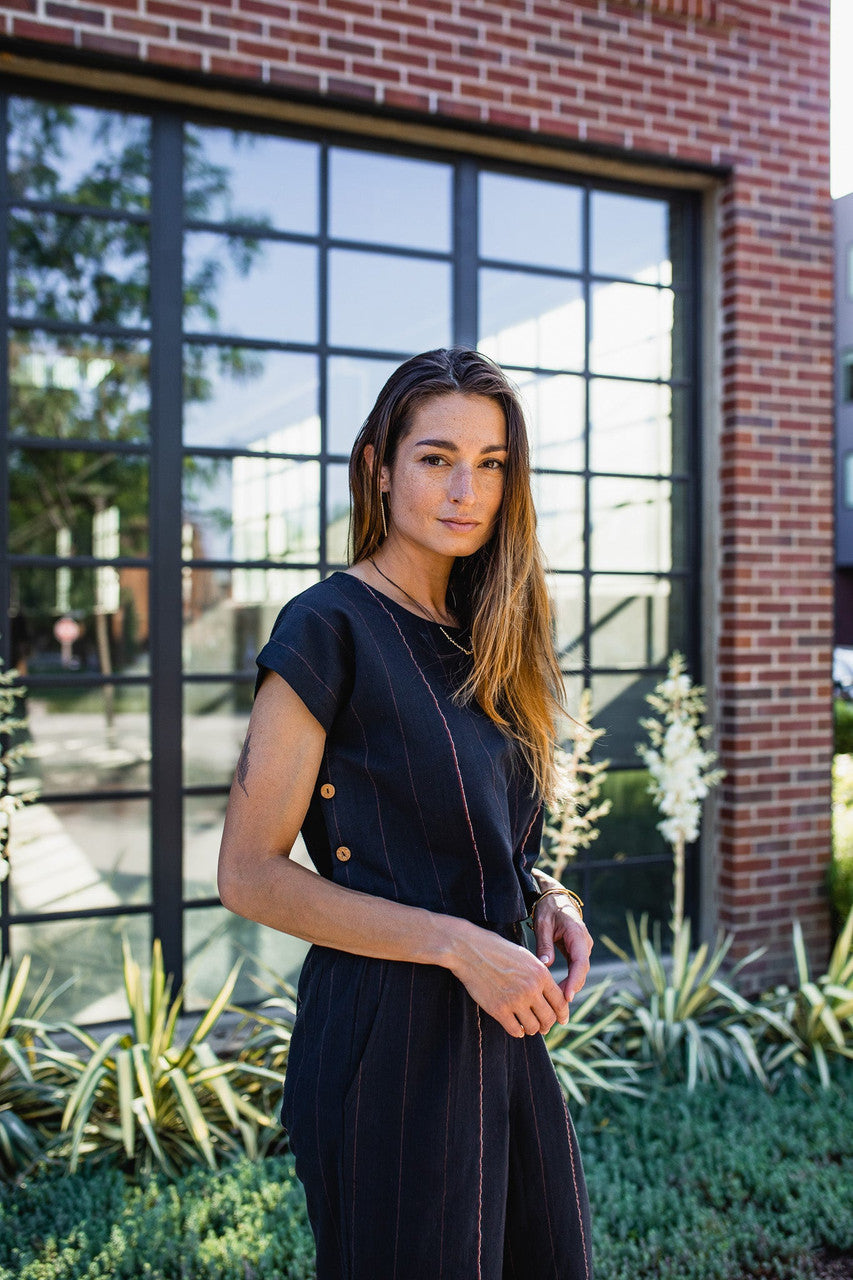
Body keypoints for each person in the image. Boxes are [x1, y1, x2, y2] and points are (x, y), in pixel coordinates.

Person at [218, 347, 595, 1280]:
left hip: (500, 1031)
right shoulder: (328, 627)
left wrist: (542, 892)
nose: (466, 488)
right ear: (378, 468)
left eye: (492, 462)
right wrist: (458, 944)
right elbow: (248, 873)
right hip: (387, 1040)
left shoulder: (486, 633)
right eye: (435, 458)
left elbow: (465, 822)